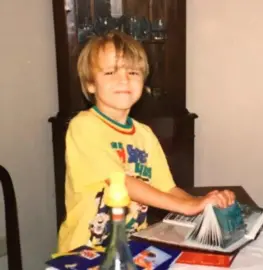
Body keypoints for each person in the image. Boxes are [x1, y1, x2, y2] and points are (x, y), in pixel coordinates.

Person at [57, 31, 235, 253]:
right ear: (91, 84)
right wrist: (189, 206)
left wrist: (203, 203)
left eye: (132, 72)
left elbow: (167, 188)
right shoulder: (84, 126)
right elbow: (121, 183)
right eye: (110, 72)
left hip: (131, 249)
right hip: (85, 253)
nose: (123, 79)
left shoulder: (144, 135)